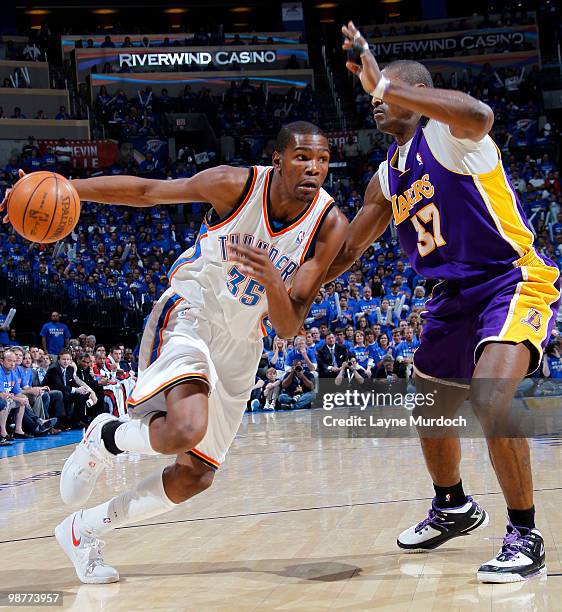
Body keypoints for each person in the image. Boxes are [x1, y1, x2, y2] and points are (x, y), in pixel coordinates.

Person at [1, 121, 348, 584]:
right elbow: (148, 190)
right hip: (191, 312)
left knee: (194, 477)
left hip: (243, 343)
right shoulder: (235, 184)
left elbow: (288, 325)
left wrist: (269, 277)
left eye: (323, 160)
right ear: (279, 158)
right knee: (185, 428)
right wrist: (67, 187)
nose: (314, 168)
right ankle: (105, 438)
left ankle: (82, 531)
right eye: (303, 157)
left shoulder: (329, 223)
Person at [326, 22, 561, 583]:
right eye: (376, 97)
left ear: (416, 95)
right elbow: (351, 249)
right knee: (429, 403)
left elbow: (479, 113)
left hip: (510, 279)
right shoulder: (386, 175)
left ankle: (526, 535)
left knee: (490, 398)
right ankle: (452, 505)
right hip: (451, 298)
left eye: (390, 93)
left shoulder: (454, 136)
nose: (377, 104)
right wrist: (291, 296)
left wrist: (382, 81)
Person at [42, 349, 90, 429]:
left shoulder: (70, 369)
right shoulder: (54, 369)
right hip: (51, 391)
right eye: (64, 359)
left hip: (64, 390)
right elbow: (59, 386)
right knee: (64, 393)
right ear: (59, 359)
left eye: (68, 359)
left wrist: (81, 389)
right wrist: (75, 390)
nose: (66, 362)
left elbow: (72, 382)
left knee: (82, 394)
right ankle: (62, 422)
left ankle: (77, 421)